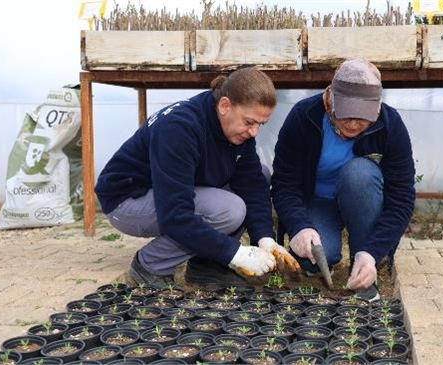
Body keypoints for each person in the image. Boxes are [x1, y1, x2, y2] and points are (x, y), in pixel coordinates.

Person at [95, 67, 299, 289]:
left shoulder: (237, 128)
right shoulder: (180, 128)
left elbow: (251, 183)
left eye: (261, 124)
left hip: (165, 196)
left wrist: (264, 238)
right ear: (224, 106)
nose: (254, 133)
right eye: (250, 122)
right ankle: (150, 265)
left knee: (260, 173)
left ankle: (207, 266)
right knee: (230, 210)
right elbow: (174, 215)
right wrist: (234, 253)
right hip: (127, 201)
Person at [271, 58, 416, 300]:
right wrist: (299, 227)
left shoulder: (390, 125)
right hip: (319, 200)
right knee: (316, 258)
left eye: (362, 117)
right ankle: (325, 247)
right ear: (331, 101)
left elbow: (402, 198)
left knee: (358, 173)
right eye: (346, 115)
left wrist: (371, 252)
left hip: (362, 198)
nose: (353, 123)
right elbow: (285, 183)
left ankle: (363, 264)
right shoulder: (303, 117)